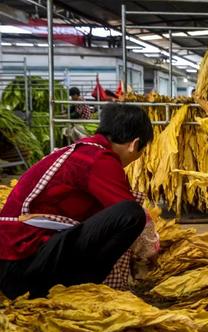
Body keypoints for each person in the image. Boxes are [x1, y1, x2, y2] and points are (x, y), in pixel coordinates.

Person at [0, 103, 155, 299]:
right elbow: (125, 210)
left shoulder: (79, 151)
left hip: (11, 260)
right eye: (142, 151)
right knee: (130, 214)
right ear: (134, 144)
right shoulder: (100, 159)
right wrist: (149, 250)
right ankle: (81, 287)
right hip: (23, 264)